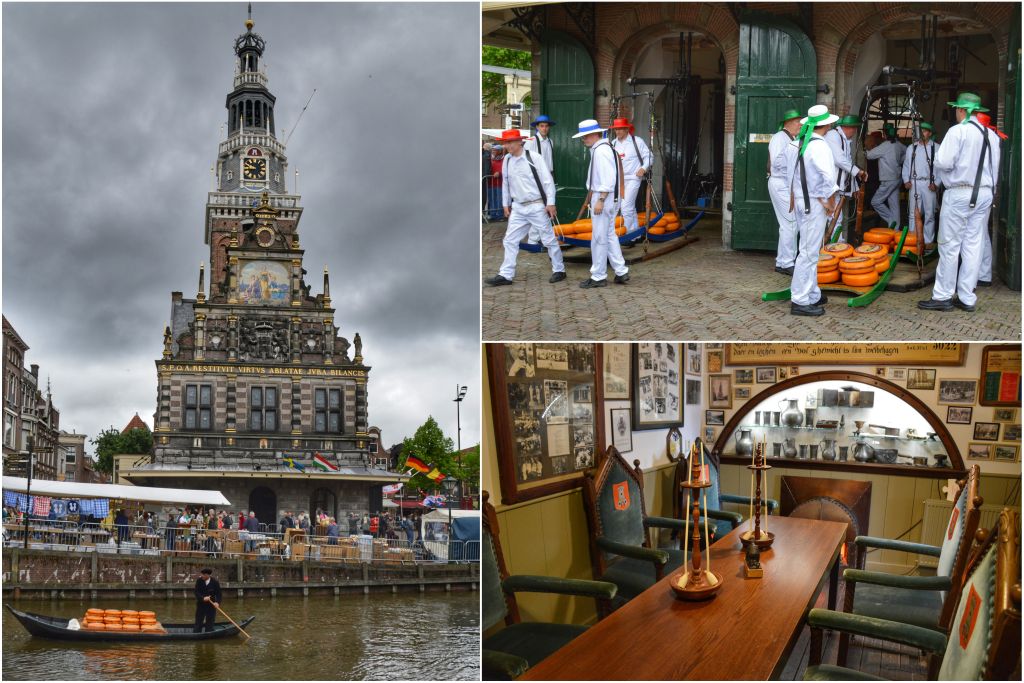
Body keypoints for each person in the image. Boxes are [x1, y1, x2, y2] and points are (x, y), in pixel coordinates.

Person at [919, 93, 1001, 312]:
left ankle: (943, 296)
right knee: (973, 245)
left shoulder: (958, 131)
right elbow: (995, 169)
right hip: (984, 194)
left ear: (963, 110)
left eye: (956, 109)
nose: (955, 112)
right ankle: (966, 296)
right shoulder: (991, 135)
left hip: (959, 193)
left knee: (949, 245)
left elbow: (943, 162)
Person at [484, 129, 565, 286]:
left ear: (519, 142)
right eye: (505, 142)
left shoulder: (534, 158)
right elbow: (506, 183)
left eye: (509, 142)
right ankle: (506, 274)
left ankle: (559, 269)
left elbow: (548, 181)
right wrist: (505, 204)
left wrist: (550, 203)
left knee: (548, 239)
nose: (506, 146)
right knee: (510, 239)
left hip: (536, 205)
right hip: (518, 207)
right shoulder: (507, 160)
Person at [787, 104, 839, 317]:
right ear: (826, 124)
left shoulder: (795, 143)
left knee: (809, 250)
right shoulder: (820, 146)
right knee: (808, 252)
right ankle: (800, 299)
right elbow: (829, 178)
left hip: (800, 201)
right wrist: (829, 201)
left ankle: (812, 293)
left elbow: (788, 172)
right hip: (814, 204)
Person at [574, 118, 629, 287]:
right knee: (609, 234)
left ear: (593, 135)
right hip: (609, 197)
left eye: (585, 136)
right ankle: (621, 271)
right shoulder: (605, 148)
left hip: (604, 197)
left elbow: (608, 178)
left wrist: (601, 199)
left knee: (598, 237)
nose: (583, 140)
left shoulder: (601, 151)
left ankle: (598, 276)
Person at [973, 111, 1007, 287]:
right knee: (980, 234)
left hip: (979, 191)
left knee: (977, 235)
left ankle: (981, 273)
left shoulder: (987, 139)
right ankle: (982, 272)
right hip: (986, 191)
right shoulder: (992, 138)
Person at [769, 109, 803, 275]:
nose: (800, 125)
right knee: (790, 222)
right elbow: (776, 163)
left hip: (786, 184)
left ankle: (782, 262)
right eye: (798, 122)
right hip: (780, 183)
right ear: (789, 123)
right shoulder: (779, 138)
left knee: (788, 224)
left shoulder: (792, 138)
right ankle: (787, 262)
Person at [825, 114, 868, 241]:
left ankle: (836, 245)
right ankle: (837, 247)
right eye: (854, 128)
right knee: (834, 218)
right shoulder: (833, 136)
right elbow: (839, 160)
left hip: (837, 187)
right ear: (846, 127)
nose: (855, 132)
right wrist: (859, 172)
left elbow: (848, 164)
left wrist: (854, 188)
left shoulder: (844, 140)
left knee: (836, 217)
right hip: (829, 186)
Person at [609, 117, 653, 239]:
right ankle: (635, 234)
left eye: (620, 129)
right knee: (630, 207)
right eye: (616, 129)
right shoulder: (613, 143)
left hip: (633, 178)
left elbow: (649, 156)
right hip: (619, 180)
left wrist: (643, 168)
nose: (617, 132)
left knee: (626, 207)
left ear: (627, 129)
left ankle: (627, 236)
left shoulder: (637, 141)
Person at [902, 122, 940, 246]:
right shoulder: (911, 148)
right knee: (914, 213)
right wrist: (906, 180)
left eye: (925, 131)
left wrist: (937, 183)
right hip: (915, 183)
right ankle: (913, 239)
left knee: (929, 214)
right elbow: (907, 165)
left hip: (929, 183)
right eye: (921, 131)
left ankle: (928, 241)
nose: (922, 134)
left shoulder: (936, 147)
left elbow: (940, 168)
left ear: (929, 133)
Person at [865, 122, 906, 228]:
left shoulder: (885, 146)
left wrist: (865, 149)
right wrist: (900, 160)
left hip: (887, 179)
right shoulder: (899, 144)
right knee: (894, 205)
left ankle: (892, 221)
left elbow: (869, 155)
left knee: (876, 202)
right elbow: (907, 152)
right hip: (897, 178)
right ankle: (896, 229)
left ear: (884, 134)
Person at [193, 567, 222, 633]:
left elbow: (219, 594)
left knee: (210, 622)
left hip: (211, 605)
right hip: (201, 604)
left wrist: (217, 603)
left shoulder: (215, 582)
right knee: (198, 621)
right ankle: (196, 634)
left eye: (203, 575)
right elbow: (196, 592)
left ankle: (209, 633)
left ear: (208, 575)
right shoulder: (199, 581)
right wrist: (203, 598)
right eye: (201, 574)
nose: (201, 576)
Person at [487, 145, 505, 220]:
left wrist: (500, 173)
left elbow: (505, 169)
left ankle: (500, 215)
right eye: (492, 150)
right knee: (492, 199)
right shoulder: (490, 159)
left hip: (500, 183)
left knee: (499, 199)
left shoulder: (504, 159)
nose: (493, 151)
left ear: (500, 151)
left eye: (495, 150)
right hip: (491, 183)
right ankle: (493, 214)